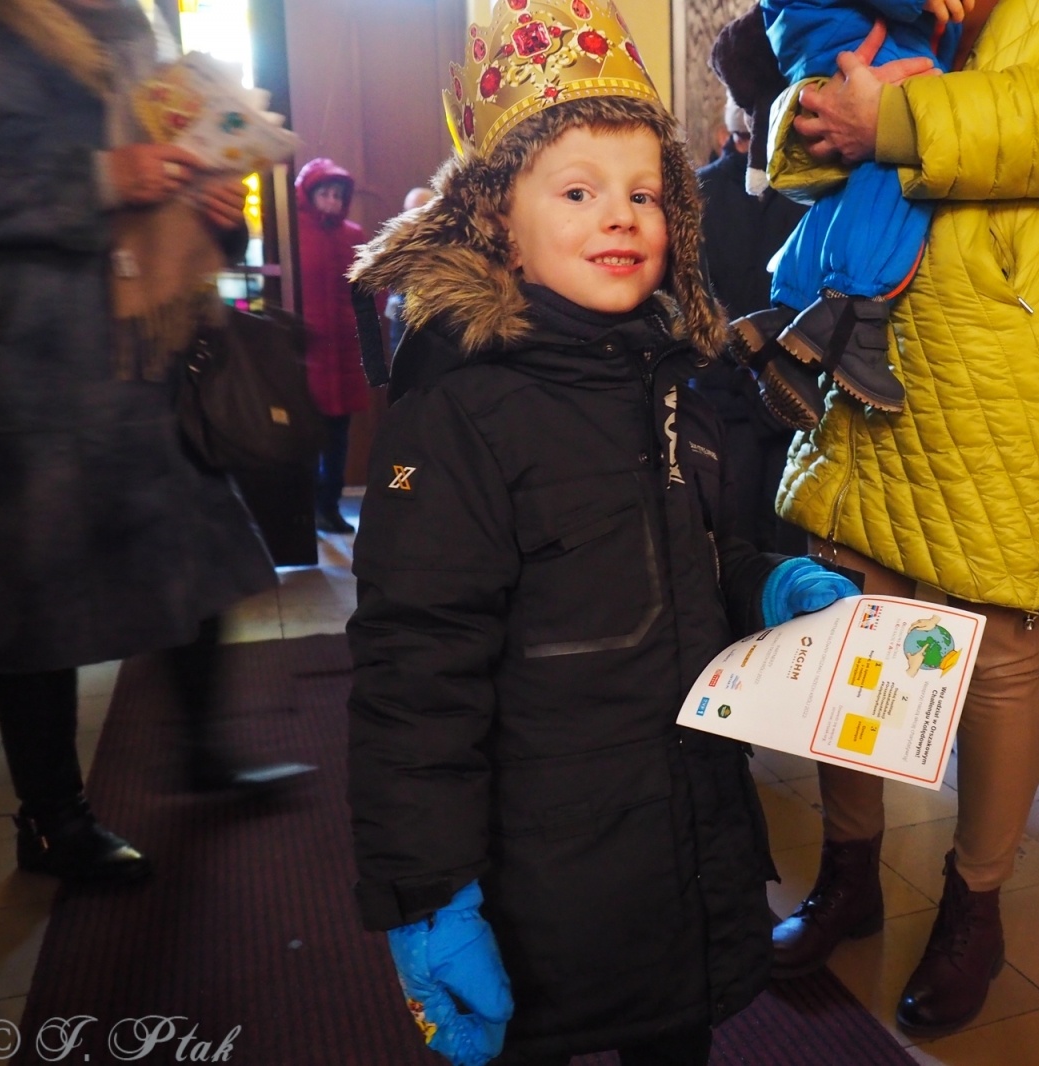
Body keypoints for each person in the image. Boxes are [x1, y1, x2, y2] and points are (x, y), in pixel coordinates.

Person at [344, 2, 859, 1062]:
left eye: (642, 192)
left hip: (681, 833)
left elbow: (688, 558)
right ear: (496, 219)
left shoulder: (677, 379)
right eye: (576, 191)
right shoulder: (460, 418)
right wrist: (428, 894)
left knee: (676, 1034)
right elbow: (416, 679)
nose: (618, 216)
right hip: (541, 872)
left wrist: (762, 585)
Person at [761, 0, 1039, 1038]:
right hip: (875, 330)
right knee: (853, 618)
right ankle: (848, 872)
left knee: (999, 646)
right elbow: (820, 78)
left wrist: (900, 124)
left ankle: (975, 904)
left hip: (1015, 345)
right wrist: (815, 108)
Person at [0, 0, 307, 884]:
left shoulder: (135, 22)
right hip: (25, 365)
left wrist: (211, 202)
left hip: (150, 348)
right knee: (34, 599)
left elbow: (174, 151)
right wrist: (100, 179)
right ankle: (52, 822)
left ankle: (202, 755)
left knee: (191, 557)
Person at [713, 0, 964, 426]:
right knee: (905, 162)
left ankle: (790, 313)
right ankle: (851, 311)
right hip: (862, 35)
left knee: (851, 183)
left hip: (844, 31)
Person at [695, 95, 808, 553]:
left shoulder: (805, 193)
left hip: (796, 398)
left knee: (789, 542)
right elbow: (692, 301)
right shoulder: (698, 194)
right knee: (732, 539)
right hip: (724, 403)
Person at [296, 157, 370, 536]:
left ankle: (329, 506)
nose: (332, 201)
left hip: (342, 353)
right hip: (304, 355)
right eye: (325, 193)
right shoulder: (292, 231)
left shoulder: (352, 235)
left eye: (338, 195)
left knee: (337, 439)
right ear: (308, 195)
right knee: (304, 439)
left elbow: (366, 292)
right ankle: (305, 510)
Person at [383, 186, 434, 358]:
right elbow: (395, 309)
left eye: (420, 212)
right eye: (408, 213)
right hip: (404, 340)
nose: (412, 220)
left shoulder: (452, 250)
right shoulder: (397, 251)